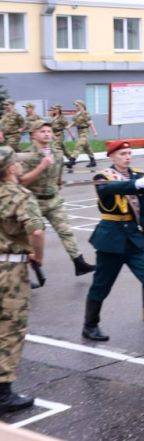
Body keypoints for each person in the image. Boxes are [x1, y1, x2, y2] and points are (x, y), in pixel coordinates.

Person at [83, 141, 144, 341]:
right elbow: (106, 191)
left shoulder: (137, 174)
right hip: (111, 238)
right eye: (122, 153)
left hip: (133, 237)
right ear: (111, 156)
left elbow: (143, 207)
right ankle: (90, 325)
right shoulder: (103, 176)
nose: (127, 157)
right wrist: (134, 185)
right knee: (102, 284)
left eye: (129, 153)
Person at [18, 118, 95, 275]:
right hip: (33, 200)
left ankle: (79, 263)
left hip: (53, 199)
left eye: (49, 131)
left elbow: (59, 176)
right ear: (33, 135)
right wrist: (41, 166)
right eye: (42, 131)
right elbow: (22, 181)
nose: (47, 134)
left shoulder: (57, 153)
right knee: (34, 233)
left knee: (66, 230)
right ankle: (28, 268)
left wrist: (57, 185)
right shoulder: (26, 156)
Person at [0, 146, 46, 413]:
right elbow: (36, 231)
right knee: (10, 328)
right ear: (11, 169)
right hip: (10, 270)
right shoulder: (20, 195)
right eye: (16, 162)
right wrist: (37, 255)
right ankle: (3, 392)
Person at [69, 100, 98, 169]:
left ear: (81, 105)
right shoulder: (77, 114)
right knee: (86, 147)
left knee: (79, 144)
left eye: (77, 105)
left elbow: (90, 123)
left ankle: (72, 160)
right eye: (75, 106)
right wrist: (69, 126)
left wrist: (95, 132)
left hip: (85, 131)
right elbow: (74, 123)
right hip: (79, 131)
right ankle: (93, 161)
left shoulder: (85, 113)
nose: (76, 107)